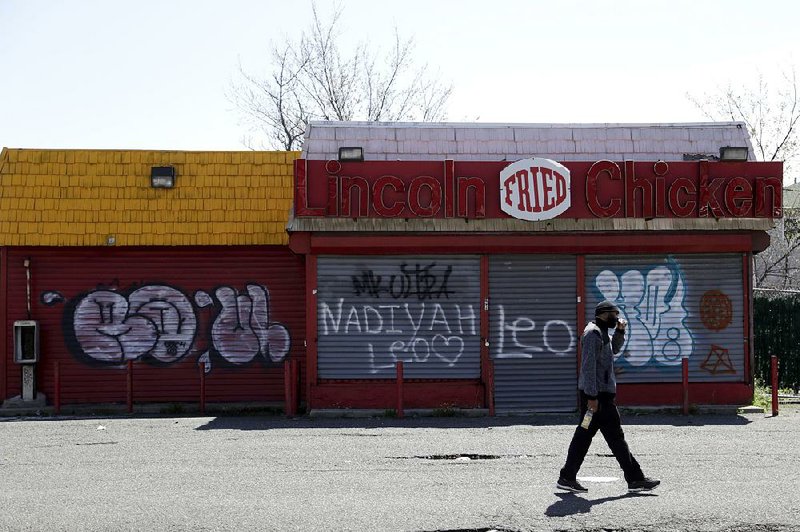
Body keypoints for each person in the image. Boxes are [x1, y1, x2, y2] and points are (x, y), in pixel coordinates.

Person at [556, 299, 660, 494]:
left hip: (600, 396)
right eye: (614, 314)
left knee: (591, 436)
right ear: (604, 314)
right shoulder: (592, 333)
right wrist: (592, 397)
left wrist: (620, 331)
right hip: (597, 397)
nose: (616, 317)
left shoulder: (601, 333)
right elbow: (588, 367)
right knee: (609, 438)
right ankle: (635, 479)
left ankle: (568, 476)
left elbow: (613, 350)